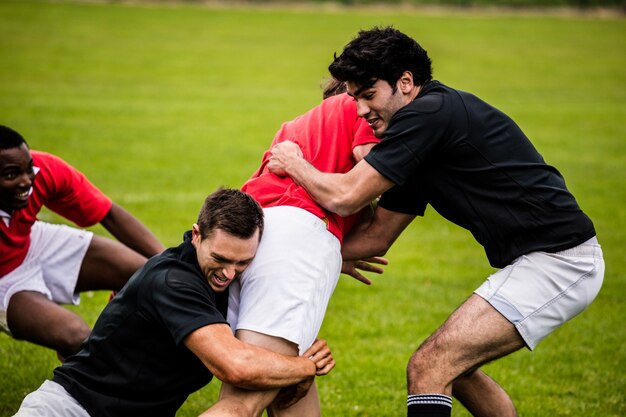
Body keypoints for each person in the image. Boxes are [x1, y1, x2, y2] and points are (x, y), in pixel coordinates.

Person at [267, 26, 604, 417]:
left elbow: (346, 196)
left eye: (368, 95)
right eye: (355, 97)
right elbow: (376, 238)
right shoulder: (416, 142)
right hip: (544, 261)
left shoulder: (431, 113)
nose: (359, 110)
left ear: (406, 82)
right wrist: (309, 256)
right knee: (456, 369)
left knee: (430, 366)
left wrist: (294, 162)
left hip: (561, 261)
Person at [13, 188, 335, 417]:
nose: (228, 273)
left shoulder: (219, 275)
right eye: (220, 258)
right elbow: (236, 367)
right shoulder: (173, 282)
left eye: (242, 263)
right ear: (197, 235)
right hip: (70, 409)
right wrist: (307, 366)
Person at [203, 79, 385, 417]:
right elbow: (372, 162)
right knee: (243, 400)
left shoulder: (295, 127)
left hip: (255, 236)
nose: (369, 112)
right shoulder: (357, 107)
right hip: (298, 241)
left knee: (288, 379)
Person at [0, 125, 164, 360]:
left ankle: (121, 357)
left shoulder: (43, 168)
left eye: (28, 169)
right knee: (76, 338)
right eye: (10, 175)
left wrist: (173, 265)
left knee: (147, 275)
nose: (26, 181)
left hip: (31, 239)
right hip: (4, 277)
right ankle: (85, 382)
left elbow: (108, 213)